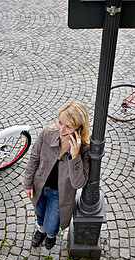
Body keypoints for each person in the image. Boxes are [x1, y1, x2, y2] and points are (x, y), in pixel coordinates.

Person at [24, 100, 90, 250]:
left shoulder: (85, 149)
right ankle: (40, 231)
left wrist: (75, 156)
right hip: (39, 187)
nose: (61, 130)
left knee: (52, 225)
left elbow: (78, 184)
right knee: (39, 213)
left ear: (79, 128)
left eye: (68, 126)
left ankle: (51, 236)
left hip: (59, 195)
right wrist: (28, 183)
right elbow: (33, 159)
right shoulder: (47, 134)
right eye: (60, 122)